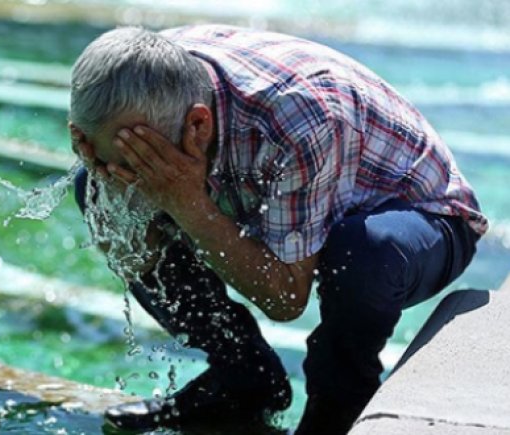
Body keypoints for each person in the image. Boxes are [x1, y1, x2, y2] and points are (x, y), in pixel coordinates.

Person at [68, 25, 487, 434]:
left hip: (424, 220)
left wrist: (186, 202)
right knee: (92, 189)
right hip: (294, 191)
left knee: (360, 251)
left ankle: (336, 411)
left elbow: (286, 298)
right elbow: (136, 258)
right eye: (103, 158)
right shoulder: (132, 83)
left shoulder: (298, 116)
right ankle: (243, 381)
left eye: (133, 163)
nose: (117, 172)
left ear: (197, 126)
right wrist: (106, 182)